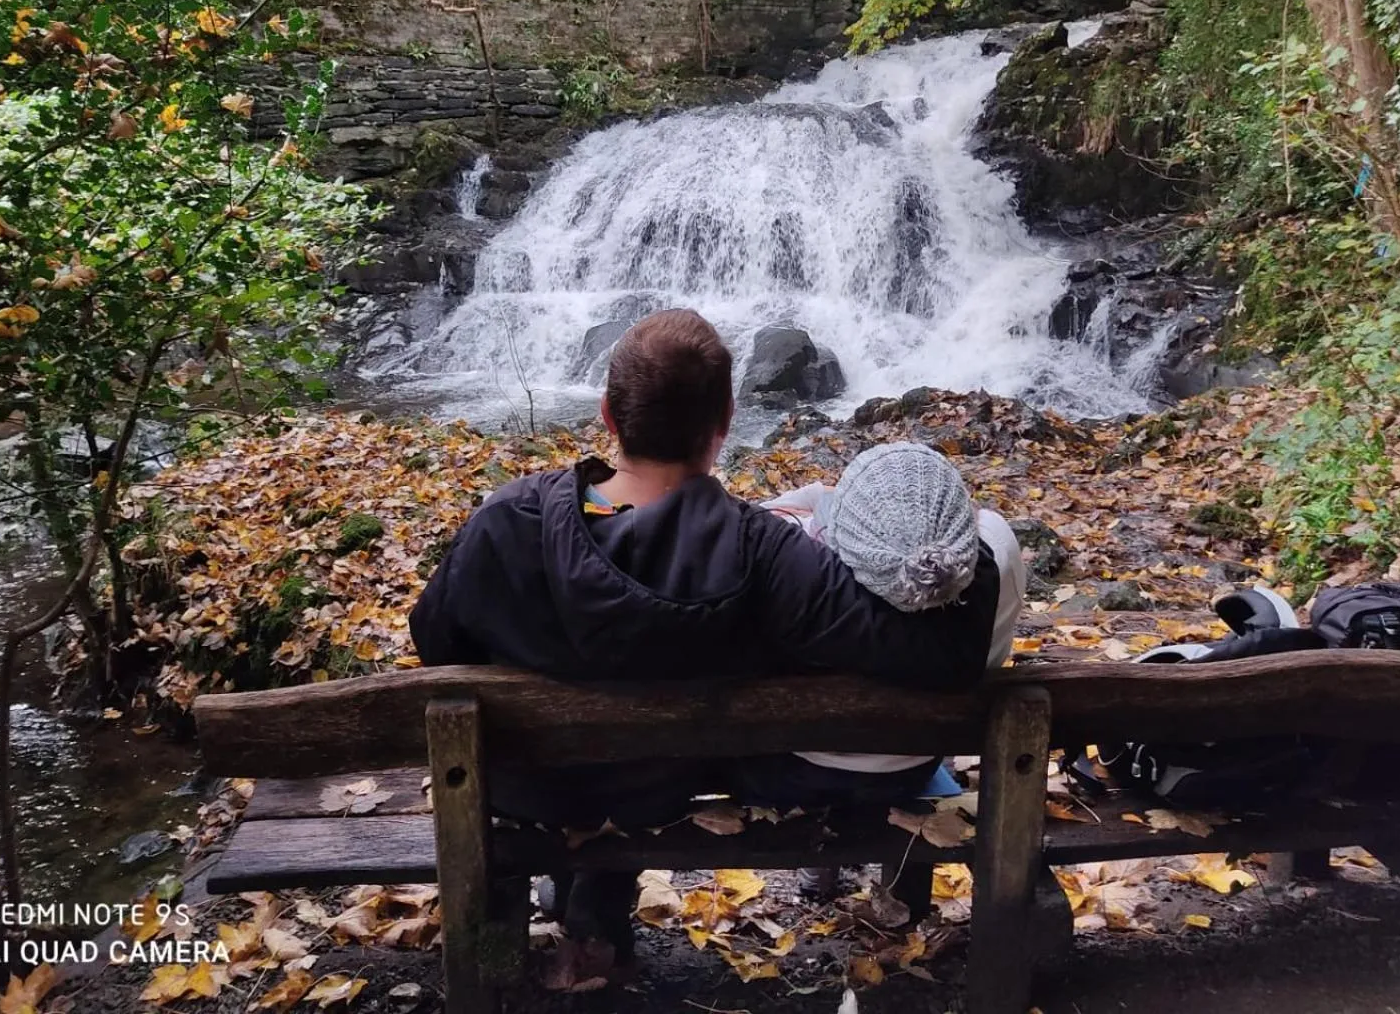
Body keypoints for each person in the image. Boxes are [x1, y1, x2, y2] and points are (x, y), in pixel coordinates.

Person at [409, 309, 999, 977]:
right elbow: (934, 656)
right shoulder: (762, 551)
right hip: (657, 797)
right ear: (724, 423)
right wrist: (965, 545)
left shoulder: (504, 523)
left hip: (528, 795)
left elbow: (436, 645)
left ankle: (565, 912)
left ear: (607, 413)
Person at [754, 443, 1027, 889]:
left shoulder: (797, 577)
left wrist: (823, 504)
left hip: (796, 770)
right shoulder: (997, 547)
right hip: (911, 765)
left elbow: (760, 524)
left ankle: (819, 870)